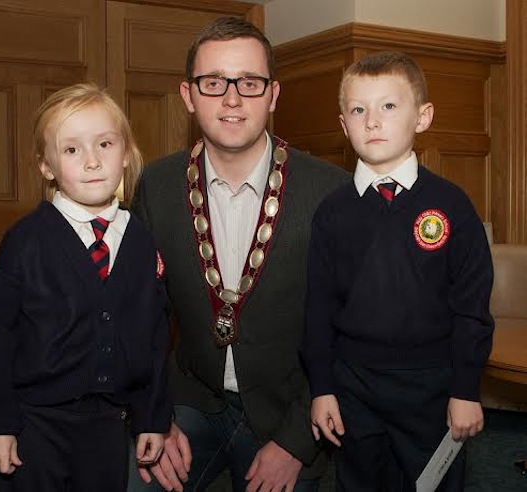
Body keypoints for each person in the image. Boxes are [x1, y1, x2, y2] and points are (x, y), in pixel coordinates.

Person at [129, 15, 350, 492]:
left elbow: (350, 328)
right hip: (190, 399)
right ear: (188, 96)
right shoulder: (158, 186)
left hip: (291, 410)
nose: (231, 99)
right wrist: (154, 415)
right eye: (214, 83)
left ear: (273, 95)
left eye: (249, 83)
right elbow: (139, 316)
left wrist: (296, 443)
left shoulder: (331, 192)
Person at [301, 51, 494, 491]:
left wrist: (465, 389)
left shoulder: (452, 206)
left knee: (433, 484)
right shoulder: (332, 212)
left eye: (389, 106)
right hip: (354, 385)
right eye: (358, 109)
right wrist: (322, 387)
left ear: (422, 117)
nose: (372, 121)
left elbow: (472, 307)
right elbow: (318, 308)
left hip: (432, 387)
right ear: (343, 123)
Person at [0, 83, 171, 492]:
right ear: (46, 165)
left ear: (127, 153)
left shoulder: (141, 240)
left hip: (109, 423)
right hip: (36, 424)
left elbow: (153, 336)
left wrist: (152, 417)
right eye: (72, 150)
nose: (93, 161)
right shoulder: (24, 242)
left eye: (105, 144)